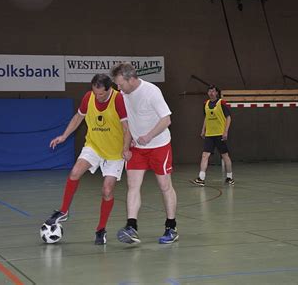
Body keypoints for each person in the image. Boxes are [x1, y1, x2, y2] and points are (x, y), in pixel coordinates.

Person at [44, 73, 131, 245]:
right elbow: (78, 118)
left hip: (115, 152)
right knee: (75, 172)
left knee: (107, 190)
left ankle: (100, 229)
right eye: (94, 92)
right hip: (94, 145)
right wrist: (64, 136)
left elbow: (126, 127)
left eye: (101, 94)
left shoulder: (118, 99)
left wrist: (126, 149)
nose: (97, 97)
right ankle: (63, 211)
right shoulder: (88, 97)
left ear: (109, 89)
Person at [110, 62, 179, 244]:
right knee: (133, 186)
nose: (118, 88)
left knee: (165, 186)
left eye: (120, 84)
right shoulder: (124, 94)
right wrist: (126, 146)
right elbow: (128, 122)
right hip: (137, 148)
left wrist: (148, 136)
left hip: (159, 145)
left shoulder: (152, 92)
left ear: (131, 79)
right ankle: (132, 227)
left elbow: (166, 120)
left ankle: (171, 227)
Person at [190, 85, 234, 186]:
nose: (211, 93)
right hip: (210, 134)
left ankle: (229, 177)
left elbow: (228, 118)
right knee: (205, 155)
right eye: (209, 91)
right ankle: (201, 178)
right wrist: (203, 129)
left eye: (213, 91)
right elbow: (206, 117)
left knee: (225, 156)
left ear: (216, 93)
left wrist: (226, 131)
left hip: (220, 134)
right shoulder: (205, 104)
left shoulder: (221, 103)